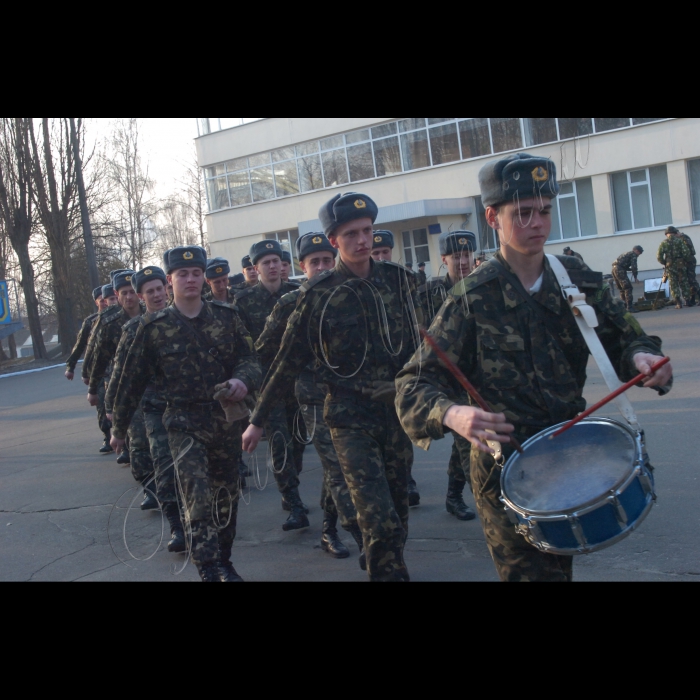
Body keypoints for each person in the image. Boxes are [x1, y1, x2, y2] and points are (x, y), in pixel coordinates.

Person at [396, 153, 673, 583]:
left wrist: (643, 358)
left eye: (544, 211)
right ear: (493, 217)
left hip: (570, 460)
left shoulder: (576, 280)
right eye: (521, 213)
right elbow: (412, 386)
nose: (536, 224)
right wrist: (454, 414)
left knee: (559, 573)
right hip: (506, 472)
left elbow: (627, 336)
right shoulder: (472, 297)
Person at [243, 192, 423, 582]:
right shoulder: (316, 295)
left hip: (394, 416)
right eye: (351, 234)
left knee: (398, 514)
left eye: (368, 231)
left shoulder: (400, 282)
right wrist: (257, 420)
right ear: (334, 240)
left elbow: (424, 348)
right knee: (377, 519)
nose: (363, 241)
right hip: (347, 418)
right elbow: (285, 361)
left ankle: (387, 562)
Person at [111, 246, 261, 583]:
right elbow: (130, 382)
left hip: (225, 422)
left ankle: (224, 559)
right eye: (183, 274)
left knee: (227, 494)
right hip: (183, 423)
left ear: (204, 278)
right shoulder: (152, 328)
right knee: (197, 494)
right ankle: (208, 567)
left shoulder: (226, 317)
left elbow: (251, 360)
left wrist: (243, 379)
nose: (190, 279)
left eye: (196, 273)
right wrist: (118, 426)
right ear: (169, 281)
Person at [253, 232, 361, 560]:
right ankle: (358, 536)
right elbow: (262, 349)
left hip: (348, 395)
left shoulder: (349, 296)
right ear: (303, 266)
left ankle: (329, 529)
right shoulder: (290, 303)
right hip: (309, 394)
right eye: (315, 262)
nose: (323, 267)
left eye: (327, 260)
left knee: (337, 466)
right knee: (334, 464)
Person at [235, 240, 309, 531]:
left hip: (300, 380)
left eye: (277, 260)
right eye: (266, 262)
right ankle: (292, 498)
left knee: (300, 439)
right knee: (280, 441)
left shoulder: (298, 293)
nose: (273, 266)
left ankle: (292, 482)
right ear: (256, 269)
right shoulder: (243, 302)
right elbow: (242, 347)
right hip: (268, 382)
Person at [417, 230, 478, 522]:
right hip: (444, 381)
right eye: (456, 256)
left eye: (467, 255)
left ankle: (454, 496)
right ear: (444, 259)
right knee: (469, 445)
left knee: (464, 441)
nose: (463, 261)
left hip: (476, 378)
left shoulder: (483, 286)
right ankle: (491, 505)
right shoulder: (428, 294)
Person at [88, 271, 152, 480]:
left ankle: (165, 483)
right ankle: (149, 487)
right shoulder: (110, 323)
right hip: (127, 388)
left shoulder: (154, 313)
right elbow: (100, 358)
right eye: (124, 293)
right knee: (138, 439)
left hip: (155, 386)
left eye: (133, 292)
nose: (129, 297)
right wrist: (93, 388)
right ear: (116, 294)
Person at [82, 282, 120, 454]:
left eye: (112, 298)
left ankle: (125, 444)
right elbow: (88, 349)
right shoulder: (94, 322)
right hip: (104, 372)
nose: (107, 303)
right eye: (105, 300)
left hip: (120, 372)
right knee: (104, 407)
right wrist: (84, 372)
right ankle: (108, 436)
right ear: (99, 302)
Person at [658, 229, 693, 309]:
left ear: (667, 234)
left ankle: (678, 303)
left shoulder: (664, 243)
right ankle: (687, 301)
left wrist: (665, 262)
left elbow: (659, 256)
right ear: (674, 233)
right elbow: (686, 252)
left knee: (673, 284)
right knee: (684, 282)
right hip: (680, 264)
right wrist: (685, 261)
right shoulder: (680, 241)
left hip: (670, 266)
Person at [668, 226, 699, 306]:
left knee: (691, 280)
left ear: (677, 233)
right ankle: (692, 299)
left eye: (674, 235)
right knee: (687, 281)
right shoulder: (679, 239)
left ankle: (696, 297)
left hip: (689, 260)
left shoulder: (684, 238)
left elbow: (687, 250)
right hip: (684, 261)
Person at [612, 246, 644, 312]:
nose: (638, 255)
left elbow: (622, 263)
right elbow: (634, 266)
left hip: (614, 269)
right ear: (637, 251)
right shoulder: (633, 255)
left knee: (621, 288)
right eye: (639, 253)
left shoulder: (627, 253)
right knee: (628, 288)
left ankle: (624, 306)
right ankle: (629, 307)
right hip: (620, 270)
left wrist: (629, 269)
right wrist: (635, 276)